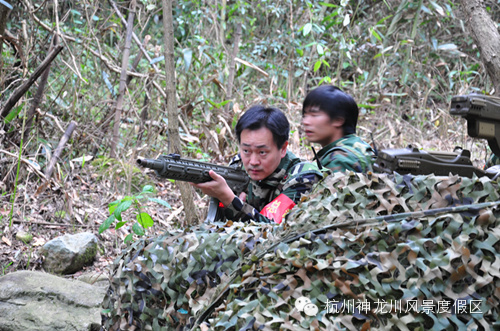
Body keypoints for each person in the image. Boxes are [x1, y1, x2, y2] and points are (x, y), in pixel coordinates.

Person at [192, 105, 322, 224]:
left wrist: (229, 199)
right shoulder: (239, 165)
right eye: (246, 150)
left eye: (262, 152)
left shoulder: (303, 178)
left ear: (282, 149)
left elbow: (273, 233)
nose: (253, 161)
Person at [302, 85, 375, 173]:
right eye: (305, 115)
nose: (305, 121)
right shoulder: (360, 146)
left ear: (338, 120)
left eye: (314, 115)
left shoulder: (338, 160)